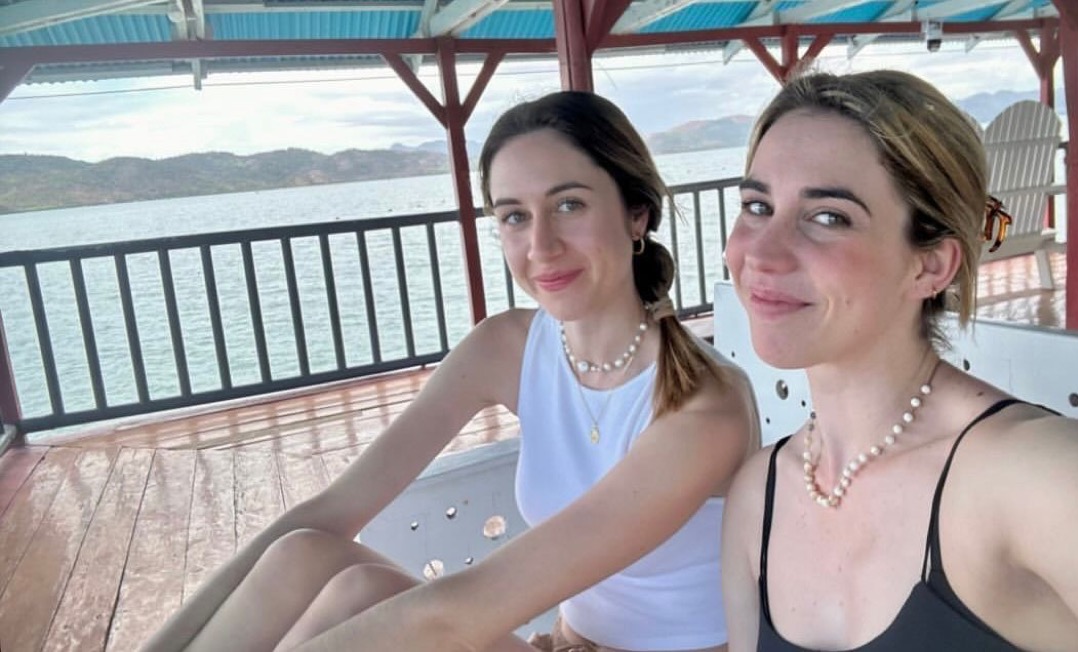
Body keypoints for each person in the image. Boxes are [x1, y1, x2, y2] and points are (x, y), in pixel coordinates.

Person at [145, 91, 758, 652]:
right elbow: (328, 513)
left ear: (636, 214)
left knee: (392, 611)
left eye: (568, 205)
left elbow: (447, 617)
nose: (540, 246)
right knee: (309, 557)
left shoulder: (705, 408)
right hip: (566, 644)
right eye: (514, 216)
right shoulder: (508, 347)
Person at [719, 70, 1078, 652]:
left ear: (931, 266)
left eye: (828, 217)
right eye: (756, 206)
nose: (762, 253)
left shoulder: (1044, 479)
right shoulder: (758, 497)